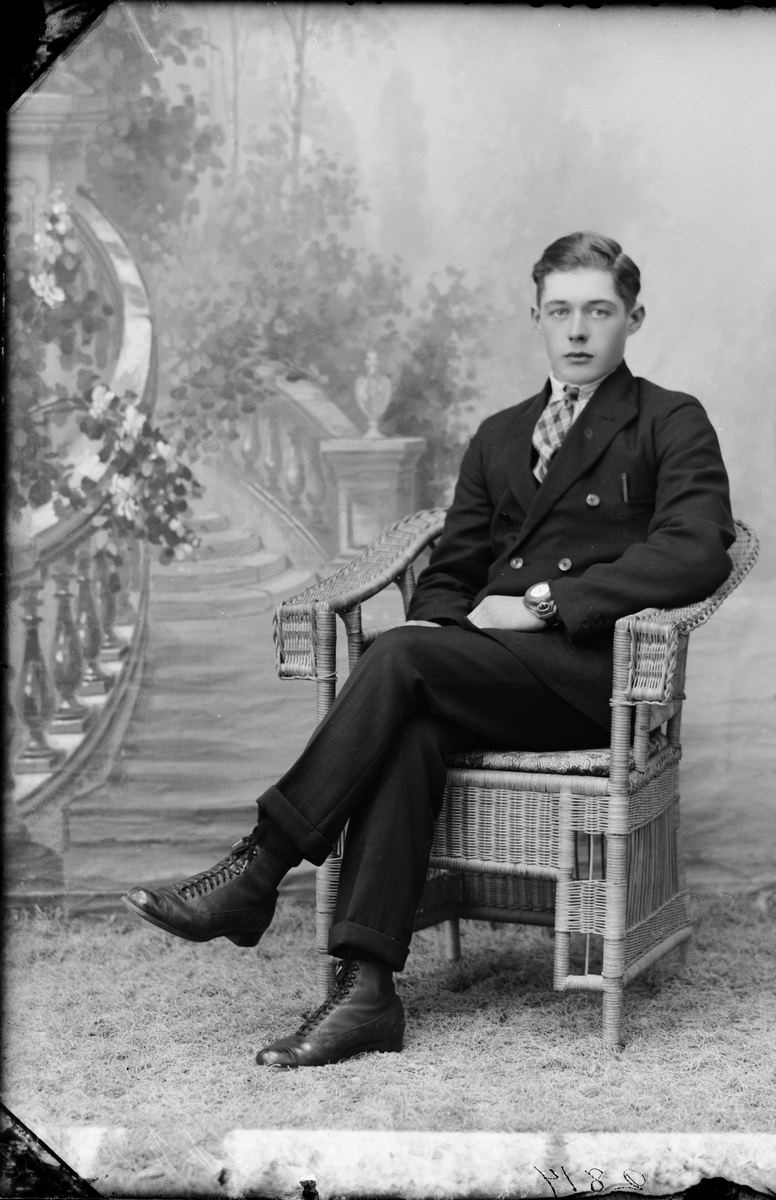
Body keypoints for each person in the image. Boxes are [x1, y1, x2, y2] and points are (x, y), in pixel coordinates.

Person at [122, 231, 735, 1068]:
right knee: (409, 716)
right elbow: (450, 573)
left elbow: (697, 550)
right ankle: (367, 992)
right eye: (559, 311)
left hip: (596, 679)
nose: (577, 329)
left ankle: (258, 870)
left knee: (398, 658)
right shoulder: (499, 435)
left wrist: (546, 605)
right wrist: (447, 631)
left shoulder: (668, 419)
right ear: (534, 318)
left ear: (633, 318)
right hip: (489, 673)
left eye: (598, 310)